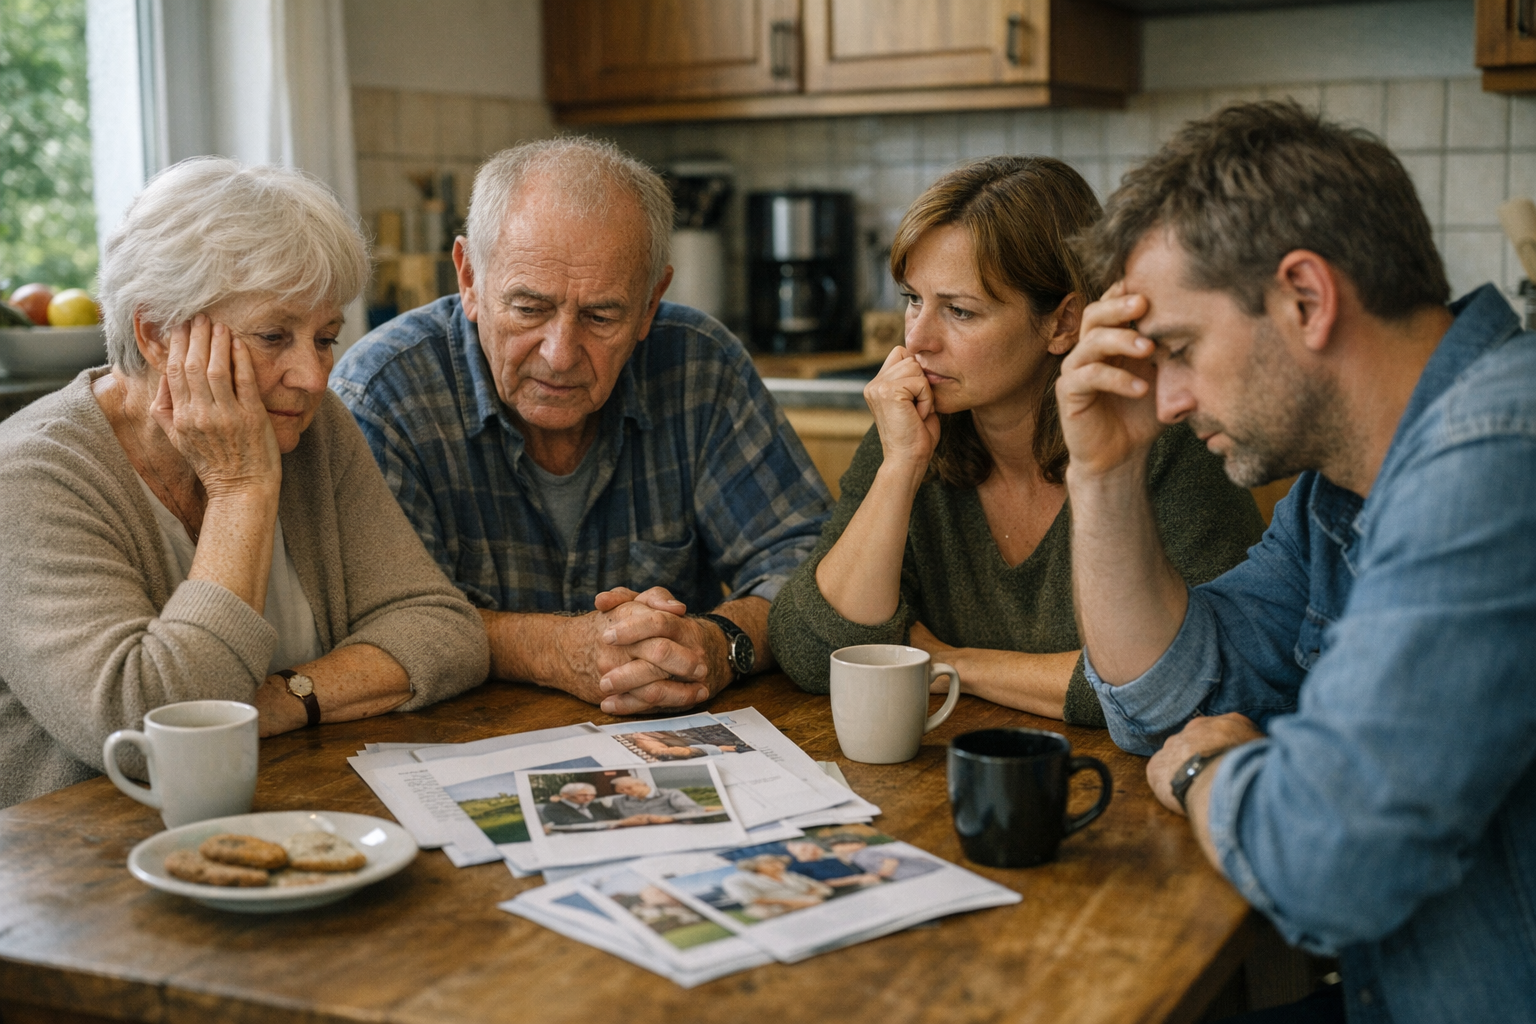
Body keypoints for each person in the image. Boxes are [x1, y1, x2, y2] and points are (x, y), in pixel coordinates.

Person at [1057, 101, 1536, 1022]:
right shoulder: (1340, 492)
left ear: (1306, 298)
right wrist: (1104, 474)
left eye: (1181, 350)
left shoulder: (1498, 454)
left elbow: (1329, 858)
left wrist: (1210, 778)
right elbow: (1169, 704)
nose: (1166, 400)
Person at [0, 159, 489, 809]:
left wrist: (285, 698)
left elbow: (445, 632)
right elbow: (146, 727)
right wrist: (242, 487)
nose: (313, 377)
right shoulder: (28, 479)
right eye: (272, 336)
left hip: (296, 811)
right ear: (155, 333)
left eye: (325, 338)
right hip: (92, 867)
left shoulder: (311, 427)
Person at [332, 137, 831, 718]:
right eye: (529, 308)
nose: (561, 353)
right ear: (469, 279)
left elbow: (808, 567)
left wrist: (718, 643)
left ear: (650, 304)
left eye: (601, 315)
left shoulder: (699, 365)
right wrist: (553, 650)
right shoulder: (382, 395)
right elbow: (383, 617)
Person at [769, 157, 1263, 725]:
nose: (918, 339)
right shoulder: (912, 432)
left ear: (1063, 322)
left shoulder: (1164, 442)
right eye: (912, 299)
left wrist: (949, 663)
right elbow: (811, 652)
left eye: (959, 310)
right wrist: (900, 466)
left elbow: (1196, 680)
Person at [721, 855, 833, 919]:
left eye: (779, 862)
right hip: (778, 913)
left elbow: (820, 887)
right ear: (756, 867)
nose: (778, 865)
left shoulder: (792, 876)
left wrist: (809, 896)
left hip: (814, 907)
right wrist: (796, 903)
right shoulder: (741, 880)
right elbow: (752, 899)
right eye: (770, 863)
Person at [826, 837, 940, 882]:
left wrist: (879, 874)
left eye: (846, 844)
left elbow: (890, 862)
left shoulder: (865, 852)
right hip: (910, 875)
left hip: (915, 873)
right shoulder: (853, 858)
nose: (843, 848)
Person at [603, 775, 707, 821]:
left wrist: (669, 819)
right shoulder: (618, 802)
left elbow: (695, 811)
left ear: (643, 784)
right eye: (621, 791)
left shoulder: (670, 795)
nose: (625, 792)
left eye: (628, 788)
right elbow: (611, 820)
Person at [538, 782, 621, 830]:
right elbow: (569, 822)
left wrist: (610, 807)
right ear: (566, 795)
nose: (588, 798)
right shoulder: (553, 808)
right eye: (583, 795)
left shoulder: (596, 805)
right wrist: (605, 823)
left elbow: (616, 818)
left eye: (592, 795)